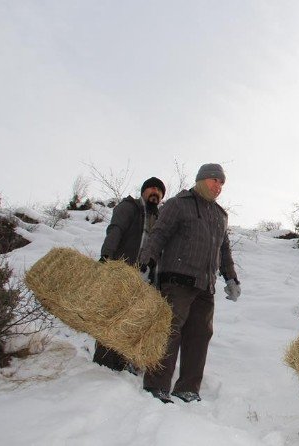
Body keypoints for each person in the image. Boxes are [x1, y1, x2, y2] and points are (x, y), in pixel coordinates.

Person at [138, 163, 240, 404]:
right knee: (169, 331)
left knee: (200, 335)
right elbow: (159, 234)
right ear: (202, 180)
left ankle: (187, 388)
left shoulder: (220, 215)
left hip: (206, 285)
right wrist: (146, 262)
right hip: (177, 280)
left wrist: (231, 277)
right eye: (215, 180)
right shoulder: (178, 204)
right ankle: (157, 384)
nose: (219, 186)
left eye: (222, 183)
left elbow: (223, 251)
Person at [93, 176, 166, 372]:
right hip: (123, 273)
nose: (155, 193)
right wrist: (106, 255)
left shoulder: (161, 219)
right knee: (112, 317)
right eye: (151, 188)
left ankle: (123, 362)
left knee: (132, 321)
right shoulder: (130, 207)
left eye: (159, 191)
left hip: (146, 280)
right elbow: (115, 230)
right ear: (143, 191)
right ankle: (104, 365)